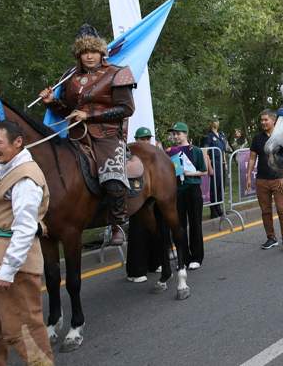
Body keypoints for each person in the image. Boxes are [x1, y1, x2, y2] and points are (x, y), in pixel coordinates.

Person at [40, 24, 136, 245]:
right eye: (84, 52)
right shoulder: (69, 78)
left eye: (93, 51)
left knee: (112, 178)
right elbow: (68, 111)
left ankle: (118, 222)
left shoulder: (118, 73)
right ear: (79, 55)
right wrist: (52, 102)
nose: (89, 56)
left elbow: (127, 109)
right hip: (74, 134)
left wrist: (89, 115)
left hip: (107, 134)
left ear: (101, 52)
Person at [0, 120, 53, 365]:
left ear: (18, 142)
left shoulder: (26, 180)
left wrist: (7, 272)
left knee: (23, 332)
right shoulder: (12, 168)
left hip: (13, 269)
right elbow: (4, 173)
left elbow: (26, 229)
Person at [246, 110, 283, 251]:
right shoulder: (257, 138)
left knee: (281, 209)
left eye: (266, 120)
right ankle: (271, 238)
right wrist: (248, 176)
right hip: (262, 180)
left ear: (274, 120)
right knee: (265, 211)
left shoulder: (282, 136)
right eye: (262, 120)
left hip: (278, 179)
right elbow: (252, 158)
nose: (263, 122)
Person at [126, 127, 163, 282]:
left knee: (155, 231)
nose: (146, 141)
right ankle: (136, 271)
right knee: (137, 234)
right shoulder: (128, 157)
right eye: (143, 139)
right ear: (136, 140)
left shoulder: (156, 156)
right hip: (136, 200)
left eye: (148, 138)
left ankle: (155, 263)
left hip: (153, 200)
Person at [167, 122, 206, 270]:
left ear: (185, 134)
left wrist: (189, 173)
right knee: (179, 226)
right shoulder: (170, 151)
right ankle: (183, 258)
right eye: (174, 134)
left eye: (178, 133)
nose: (175, 136)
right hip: (177, 191)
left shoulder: (195, 150)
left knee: (195, 223)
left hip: (193, 189)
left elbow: (204, 170)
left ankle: (196, 257)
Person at [202, 116, 231, 219]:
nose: (217, 122)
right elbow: (206, 152)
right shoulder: (208, 136)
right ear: (210, 123)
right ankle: (214, 211)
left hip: (221, 164)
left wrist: (225, 162)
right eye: (214, 120)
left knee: (221, 186)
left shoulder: (222, 135)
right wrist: (208, 167)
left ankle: (219, 208)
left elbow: (223, 150)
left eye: (218, 120)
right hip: (214, 164)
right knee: (214, 187)